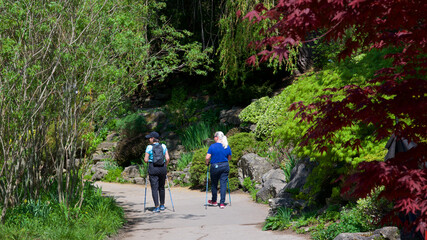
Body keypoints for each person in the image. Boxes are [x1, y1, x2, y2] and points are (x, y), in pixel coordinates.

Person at [144, 131, 170, 213]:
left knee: (154, 188)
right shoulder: (163, 146)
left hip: (153, 168)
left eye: (149, 138)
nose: (149, 140)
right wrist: (165, 165)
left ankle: (157, 207)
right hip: (162, 168)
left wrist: (148, 161)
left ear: (152, 138)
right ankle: (162, 205)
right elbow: (168, 158)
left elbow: (145, 160)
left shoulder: (149, 147)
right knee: (161, 187)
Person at [205, 131, 232, 209]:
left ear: (217, 137)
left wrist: (207, 163)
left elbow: (207, 157)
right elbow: (229, 158)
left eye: (214, 136)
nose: (213, 138)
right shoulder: (226, 146)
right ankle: (222, 203)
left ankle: (214, 201)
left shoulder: (212, 146)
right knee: (223, 184)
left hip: (215, 166)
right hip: (225, 166)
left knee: (214, 184)